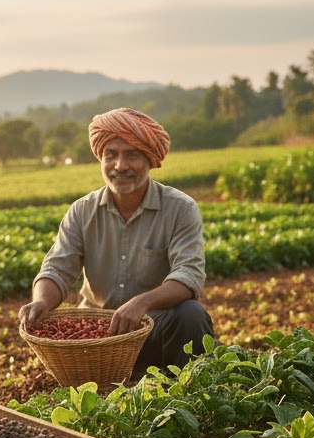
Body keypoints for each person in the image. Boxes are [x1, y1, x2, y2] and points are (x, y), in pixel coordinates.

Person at [18, 107, 213, 378]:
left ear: (150, 159)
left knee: (191, 315)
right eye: (111, 155)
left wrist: (141, 303)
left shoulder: (180, 209)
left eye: (131, 155)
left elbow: (188, 276)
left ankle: (182, 391)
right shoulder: (82, 211)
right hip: (95, 341)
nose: (120, 166)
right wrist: (40, 302)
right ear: (101, 159)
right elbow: (57, 269)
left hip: (152, 331)